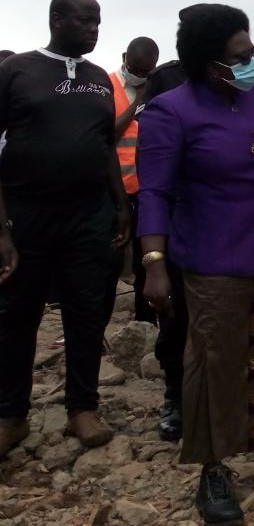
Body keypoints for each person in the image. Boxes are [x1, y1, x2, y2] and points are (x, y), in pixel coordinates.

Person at [138, 4, 254, 526]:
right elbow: (154, 191)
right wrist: (154, 262)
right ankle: (213, 468)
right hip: (213, 256)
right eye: (239, 57)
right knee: (215, 360)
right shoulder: (170, 111)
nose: (252, 63)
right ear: (208, 63)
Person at [0, 0, 130, 458]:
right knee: (18, 313)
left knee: (86, 310)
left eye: (98, 22)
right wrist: (2, 230)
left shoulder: (99, 79)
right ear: (57, 19)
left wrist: (120, 205)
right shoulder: (17, 71)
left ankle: (82, 408)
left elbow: (103, 147)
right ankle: (11, 415)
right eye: (85, 21)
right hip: (29, 214)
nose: (94, 30)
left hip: (88, 215)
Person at [139, 58, 189, 440]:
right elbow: (153, 185)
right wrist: (154, 259)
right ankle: (176, 397)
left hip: (222, 227)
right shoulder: (165, 84)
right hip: (173, 225)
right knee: (176, 319)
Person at [104, 37, 160, 328]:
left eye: (146, 71)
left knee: (145, 259)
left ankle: (144, 322)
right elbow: (107, 134)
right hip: (112, 189)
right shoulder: (106, 84)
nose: (139, 74)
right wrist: (139, 100)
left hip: (145, 189)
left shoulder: (158, 90)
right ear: (124, 57)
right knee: (109, 258)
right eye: (135, 68)